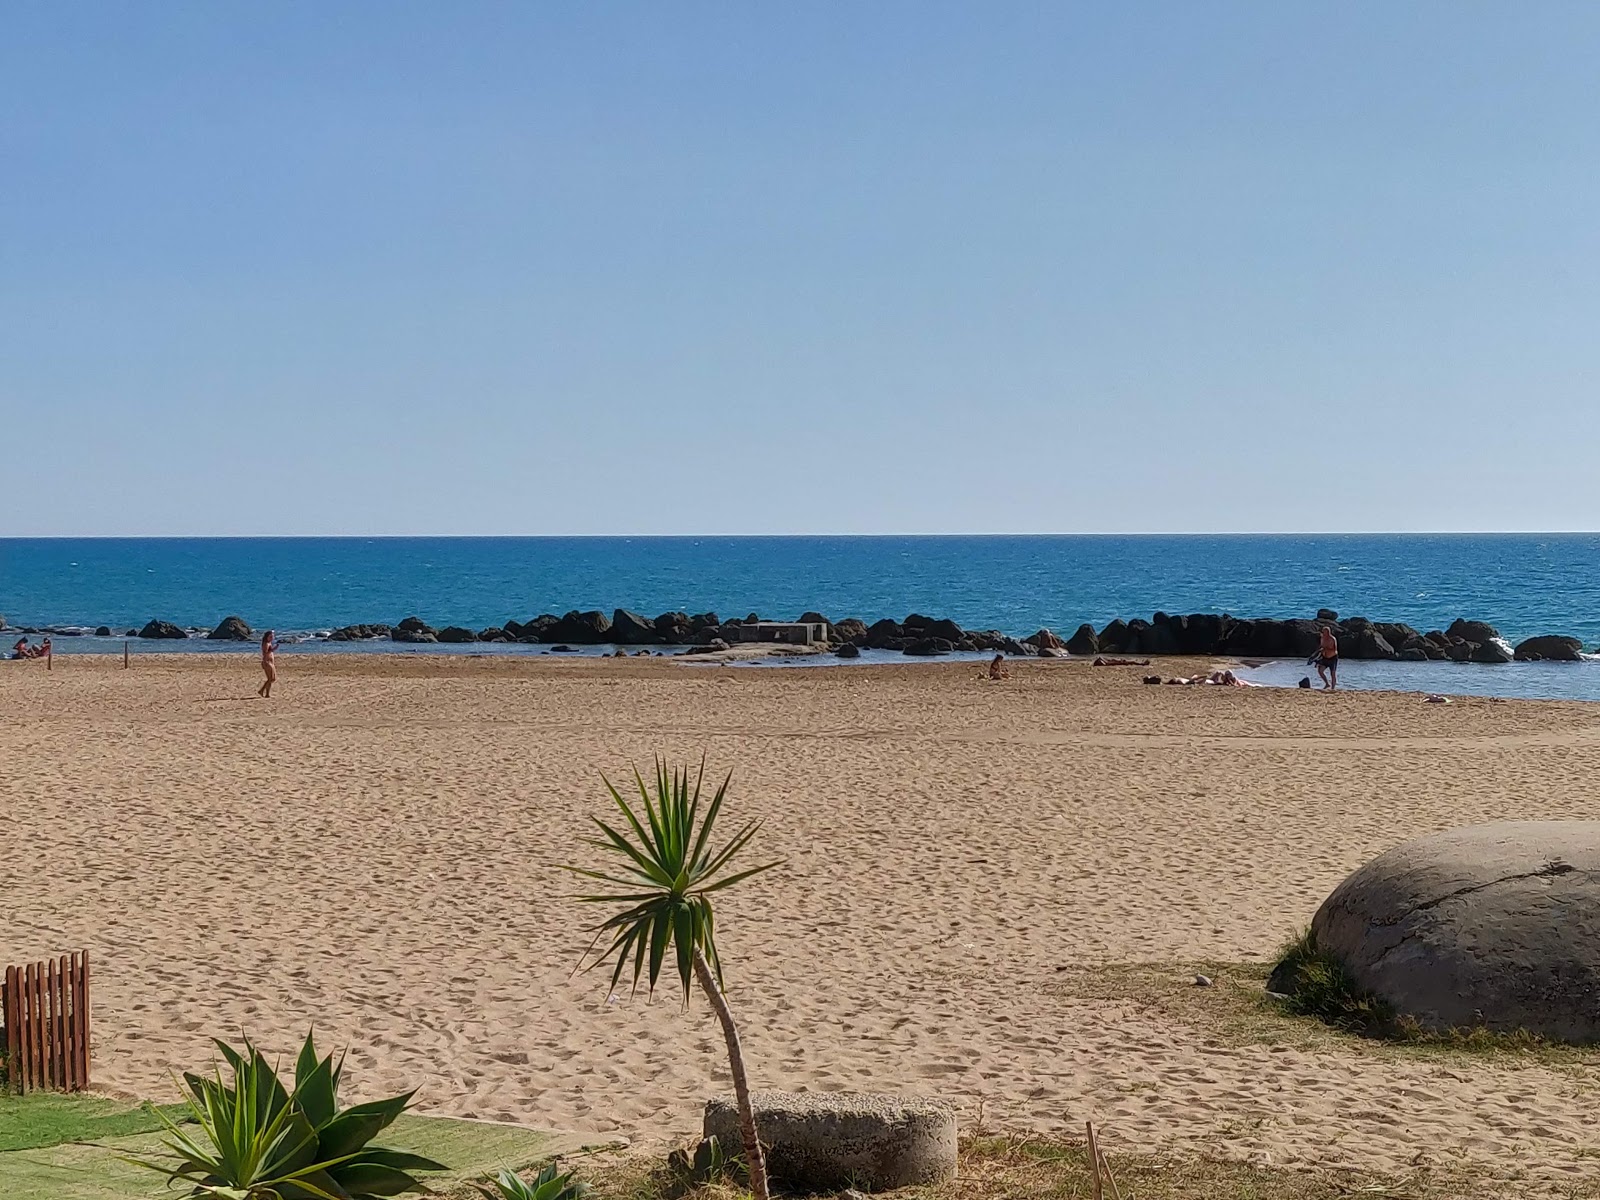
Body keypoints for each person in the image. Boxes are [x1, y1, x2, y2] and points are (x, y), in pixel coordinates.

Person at [1315, 625, 1339, 691]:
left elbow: (1335, 650)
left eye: (1326, 632)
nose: (1325, 634)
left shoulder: (1332, 639)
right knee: (1320, 670)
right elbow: (1320, 647)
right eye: (1324, 632)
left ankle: (1333, 688)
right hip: (1324, 657)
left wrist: (1326, 649)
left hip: (1332, 658)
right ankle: (1327, 683)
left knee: (1333, 673)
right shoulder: (1322, 638)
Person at [257, 630, 277, 698]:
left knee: (273, 678)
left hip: (271, 662)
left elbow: (270, 651)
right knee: (270, 678)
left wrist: (273, 649)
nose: (272, 638)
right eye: (270, 636)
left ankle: (267, 693)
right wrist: (272, 650)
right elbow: (265, 653)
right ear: (267, 637)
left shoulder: (269, 643)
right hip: (267, 662)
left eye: (272, 636)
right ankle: (262, 690)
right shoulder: (265, 644)